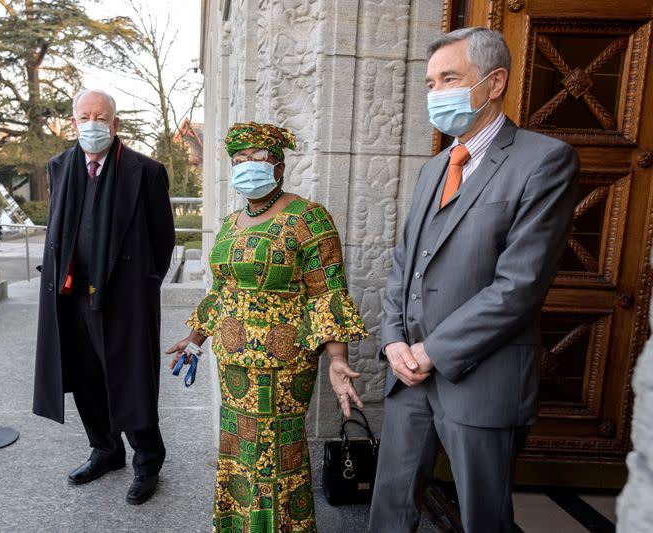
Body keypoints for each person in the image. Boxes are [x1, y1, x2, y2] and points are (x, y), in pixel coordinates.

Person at [368, 27, 580, 532]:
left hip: (483, 377)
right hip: (408, 377)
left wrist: (431, 351)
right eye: (429, 83)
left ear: (494, 81)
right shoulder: (435, 168)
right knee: (389, 509)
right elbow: (405, 262)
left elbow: (519, 286)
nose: (436, 93)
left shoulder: (544, 161)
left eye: (449, 79)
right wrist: (394, 339)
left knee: (484, 518)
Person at [168, 122, 367, 533]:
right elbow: (221, 290)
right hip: (233, 363)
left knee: (276, 456)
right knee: (239, 451)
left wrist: (337, 360)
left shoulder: (309, 218)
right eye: (238, 160)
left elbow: (327, 293)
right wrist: (195, 340)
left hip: (284, 364)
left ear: (279, 164)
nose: (247, 167)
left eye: (257, 158)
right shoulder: (230, 223)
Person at [32, 89, 175, 505]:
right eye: (84, 116)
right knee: (86, 379)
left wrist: (143, 286)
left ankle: (147, 461)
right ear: (73, 121)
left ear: (115, 123)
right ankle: (106, 450)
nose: (92, 124)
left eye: (101, 117)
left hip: (123, 298)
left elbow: (162, 242)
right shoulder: (60, 166)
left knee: (130, 381)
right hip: (71, 297)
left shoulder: (145, 171)